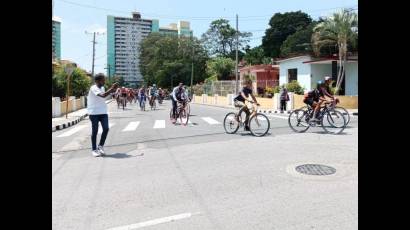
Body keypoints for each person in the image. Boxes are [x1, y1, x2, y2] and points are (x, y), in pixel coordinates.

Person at [87, 74, 119, 157]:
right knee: (95, 131)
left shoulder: (102, 88)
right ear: (97, 81)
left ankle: (100, 146)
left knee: (106, 128)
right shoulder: (93, 88)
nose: (104, 81)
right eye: (103, 80)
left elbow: (105, 96)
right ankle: (94, 149)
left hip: (103, 112)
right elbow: (103, 95)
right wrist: (111, 89)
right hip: (93, 113)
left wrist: (113, 91)